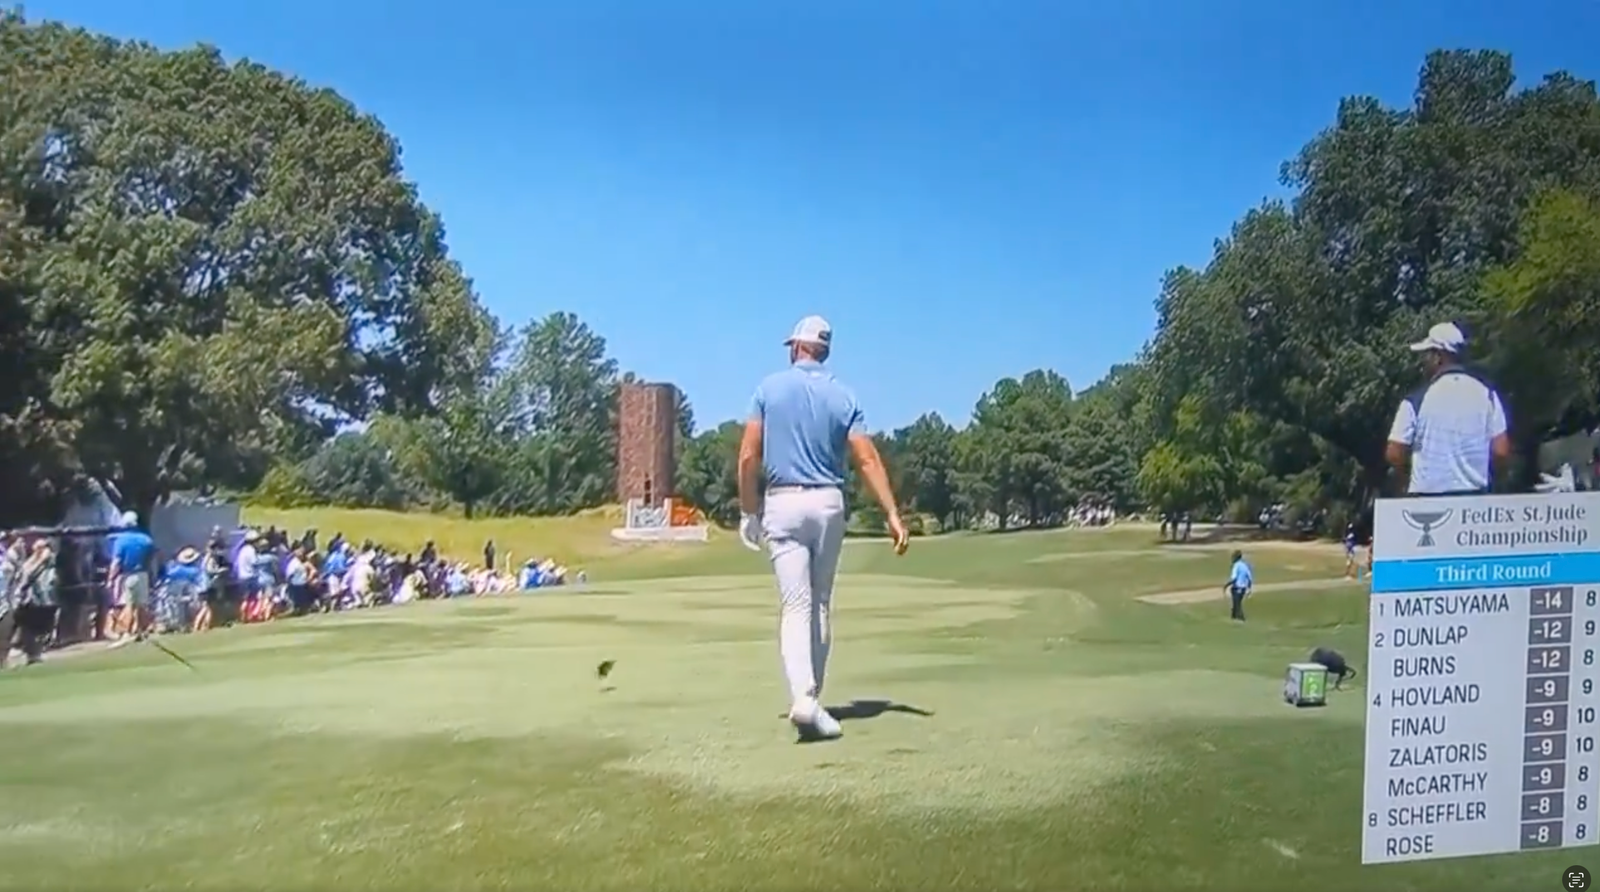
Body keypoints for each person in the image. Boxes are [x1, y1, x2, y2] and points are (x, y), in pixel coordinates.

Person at [738, 315, 909, 741]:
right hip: (829, 503)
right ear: (825, 351)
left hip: (783, 501)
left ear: (798, 347)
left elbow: (748, 455)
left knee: (795, 604)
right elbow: (866, 458)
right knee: (819, 604)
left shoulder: (768, 389)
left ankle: (804, 699)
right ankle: (810, 700)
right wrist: (891, 512)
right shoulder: (844, 395)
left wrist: (748, 511)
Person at [1385, 322, 1512, 496]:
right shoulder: (1487, 395)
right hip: (1474, 501)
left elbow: (1394, 452)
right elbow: (1501, 451)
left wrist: (1406, 478)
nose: (1422, 361)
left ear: (1438, 357)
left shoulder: (1416, 400)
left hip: (1427, 499)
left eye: (1426, 354)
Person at [107, 511, 156, 642]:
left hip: (127, 575)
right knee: (141, 605)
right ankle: (141, 630)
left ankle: (127, 632)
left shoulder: (121, 540)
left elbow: (117, 562)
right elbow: (152, 559)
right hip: (143, 574)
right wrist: (152, 575)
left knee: (129, 604)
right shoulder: (146, 539)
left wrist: (111, 578)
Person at [1225, 549, 1253, 622]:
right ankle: (1233, 618)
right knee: (1236, 604)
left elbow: (1234, 578)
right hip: (1243, 588)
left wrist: (1227, 585)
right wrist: (1249, 588)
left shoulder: (1236, 565)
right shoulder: (1245, 565)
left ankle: (1241, 619)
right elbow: (1249, 578)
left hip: (1237, 587)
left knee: (1237, 605)